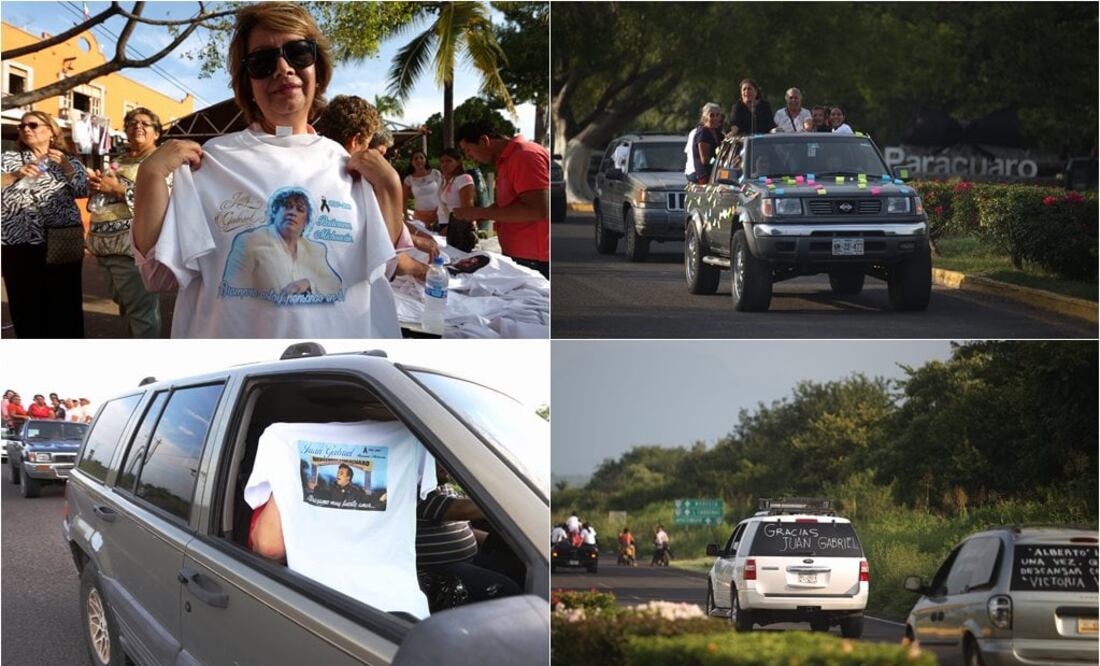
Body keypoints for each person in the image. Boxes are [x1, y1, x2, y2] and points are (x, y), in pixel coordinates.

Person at [132, 2, 402, 338]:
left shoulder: (348, 168)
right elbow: (159, 276)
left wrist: (391, 188)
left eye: (299, 53)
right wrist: (151, 175)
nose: (283, 68)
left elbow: (383, 271)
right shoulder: (212, 162)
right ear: (247, 81)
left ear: (318, 68)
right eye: (262, 61)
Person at [246, 418, 436, 618]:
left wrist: (287, 473)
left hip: (315, 606)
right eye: (337, 472)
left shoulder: (281, 440)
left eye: (341, 473)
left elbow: (268, 547)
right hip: (397, 608)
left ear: (350, 477)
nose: (337, 475)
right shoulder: (414, 437)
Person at [314, 94, 438, 282]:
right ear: (356, 141)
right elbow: (389, 258)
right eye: (368, 145)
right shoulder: (361, 180)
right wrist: (390, 182)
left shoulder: (309, 168)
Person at [1, 110, 89, 338]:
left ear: (51, 130)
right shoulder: (8, 158)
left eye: (33, 125)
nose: (26, 129)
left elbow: (82, 190)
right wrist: (14, 175)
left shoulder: (67, 160)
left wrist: (68, 168)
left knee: (65, 306)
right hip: (19, 241)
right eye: (22, 126)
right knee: (25, 307)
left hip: (62, 241)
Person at [86, 107, 165, 338]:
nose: (136, 126)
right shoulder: (118, 161)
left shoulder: (161, 161)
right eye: (131, 123)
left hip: (132, 249)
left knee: (142, 313)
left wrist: (118, 189)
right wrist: (98, 186)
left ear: (156, 133)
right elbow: (103, 195)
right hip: (104, 247)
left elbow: (161, 198)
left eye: (144, 123)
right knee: (128, 306)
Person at [451, 120, 550, 279]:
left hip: (534, 259)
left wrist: (478, 212)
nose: (469, 157)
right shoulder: (507, 160)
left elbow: (537, 210)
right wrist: (476, 214)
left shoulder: (524, 155)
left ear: (484, 140)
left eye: (468, 150)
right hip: (520, 253)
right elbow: (508, 204)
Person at [416, 462, 519, 605]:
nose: (444, 465)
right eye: (436, 461)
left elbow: (463, 528)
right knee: (507, 590)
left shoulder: (445, 489)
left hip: (468, 558)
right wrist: (511, 503)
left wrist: (492, 541)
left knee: (516, 568)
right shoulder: (420, 493)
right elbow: (461, 510)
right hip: (440, 567)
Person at [222, 188, 342, 299]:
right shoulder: (249, 241)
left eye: (300, 209)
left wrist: (309, 283)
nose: (292, 212)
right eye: (287, 206)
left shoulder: (316, 249)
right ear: (275, 212)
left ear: (306, 222)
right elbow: (231, 290)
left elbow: (335, 285)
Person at [436, 148, 478, 252]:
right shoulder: (444, 180)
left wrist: (449, 229)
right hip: (444, 225)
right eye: (442, 161)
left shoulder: (464, 178)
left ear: (458, 162)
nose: (444, 164)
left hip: (458, 227)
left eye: (449, 161)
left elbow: (467, 207)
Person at [403, 150, 443, 229]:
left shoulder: (435, 173)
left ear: (425, 160)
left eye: (421, 157)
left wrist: (438, 212)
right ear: (412, 162)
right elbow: (404, 199)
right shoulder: (409, 179)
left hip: (438, 215)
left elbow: (443, 193)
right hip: (420, 217)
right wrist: (406, 216)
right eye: (416, 158)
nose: (419, 160)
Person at [691, 103, 724, 184]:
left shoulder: (717, 133)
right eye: (712, 115)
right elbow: (705, 160)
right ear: (705, 117)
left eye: (717, 115)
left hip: (717, 174)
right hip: (706, 176)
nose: (715, 118)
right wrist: (722, 162)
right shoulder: (703, 133)